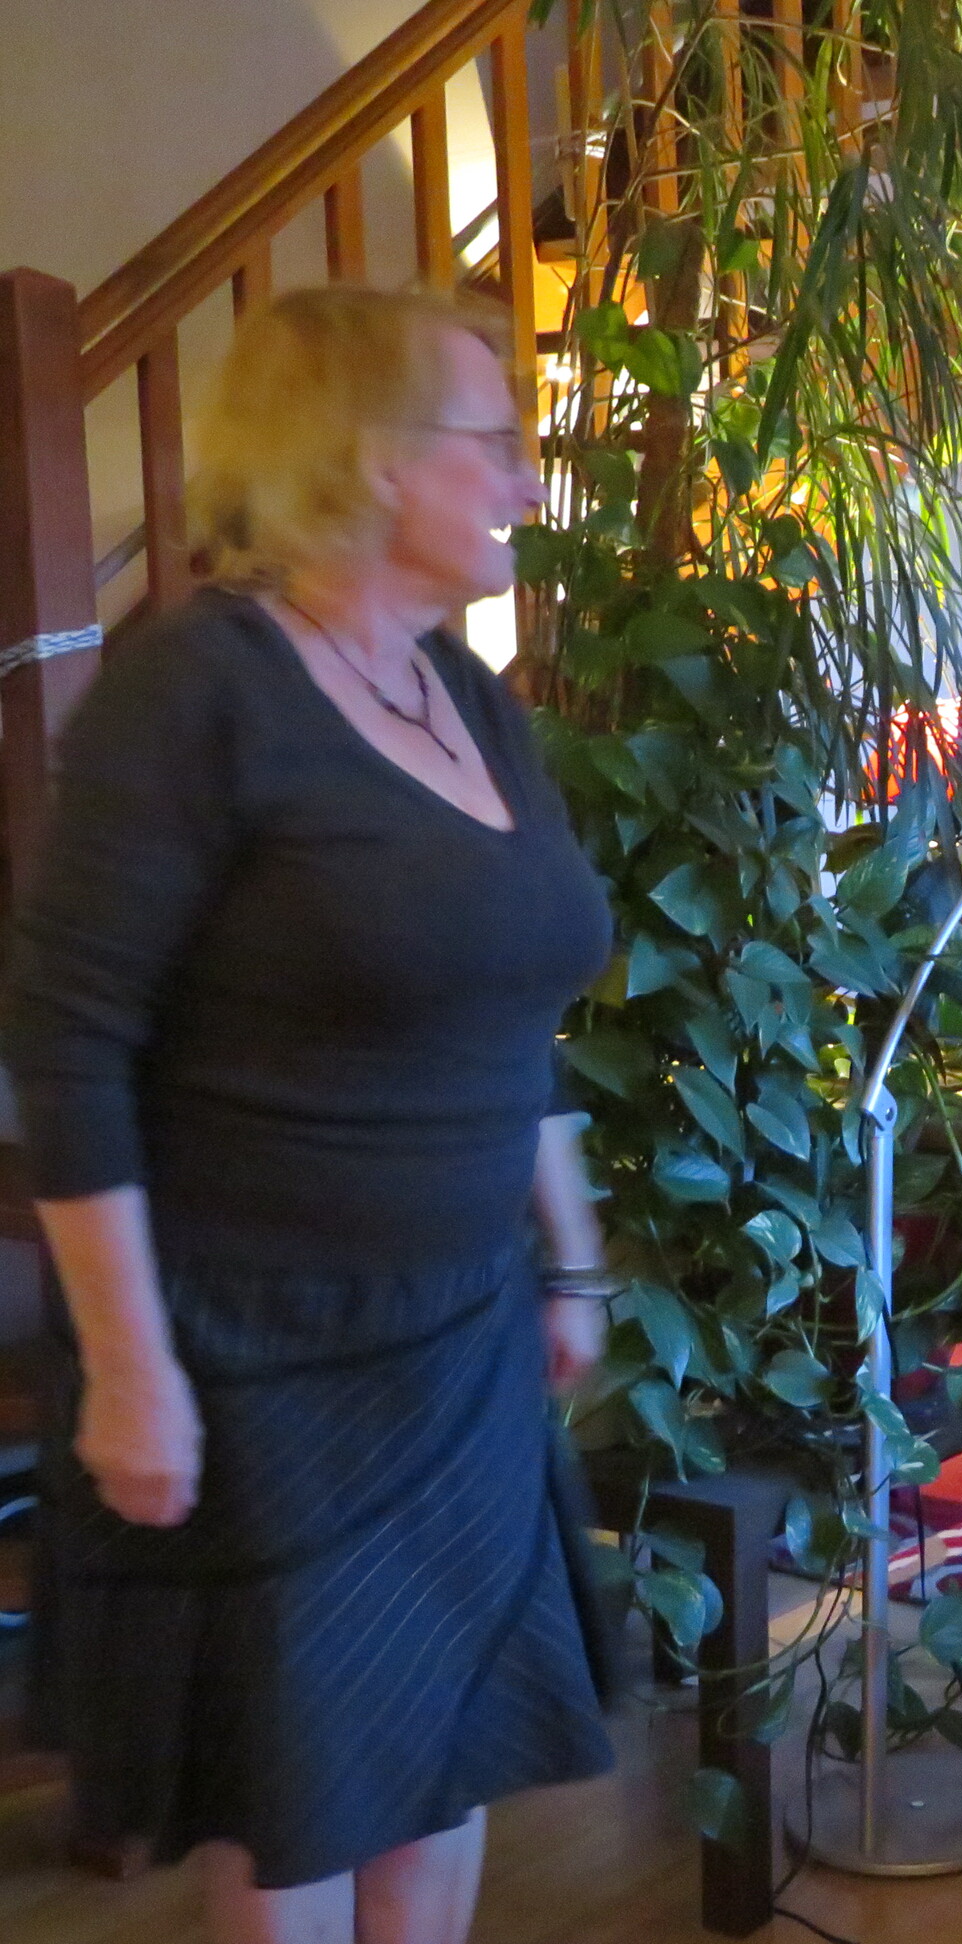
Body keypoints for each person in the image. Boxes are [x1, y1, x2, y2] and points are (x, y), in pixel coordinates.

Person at [4, 287, 617, 1944]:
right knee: (302, 1794)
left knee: (444, 1750)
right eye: (496, 443)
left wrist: (567, 1259)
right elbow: (71, 1044)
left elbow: (511, 1003)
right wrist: (129, 1370)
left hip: (461, 1328)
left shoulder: (465, 698)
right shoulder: (193, 689)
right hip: (254, 1347)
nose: (528, 482)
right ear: (367, 457)